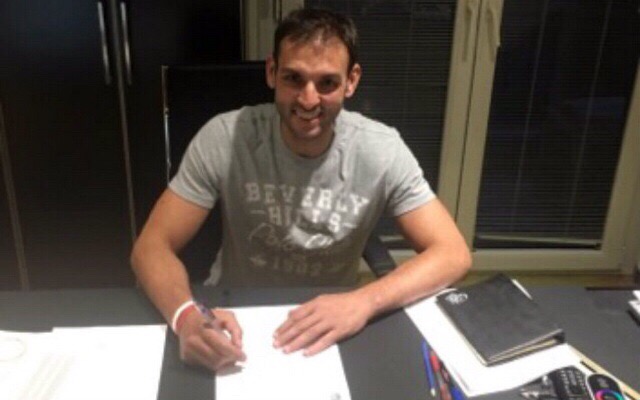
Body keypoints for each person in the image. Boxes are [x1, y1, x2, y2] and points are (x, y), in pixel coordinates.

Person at [131, 8, 471, 372]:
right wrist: (185, 315)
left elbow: (453, 253)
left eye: (327, 83)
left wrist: (364, 301)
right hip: (237, 315)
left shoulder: (382, 150)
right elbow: (150, 247)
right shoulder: (225, 137)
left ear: (351, 81)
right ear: (272, 72)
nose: (309, 100)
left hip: (333, 319)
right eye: (294, 78)